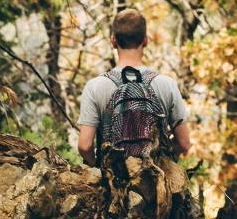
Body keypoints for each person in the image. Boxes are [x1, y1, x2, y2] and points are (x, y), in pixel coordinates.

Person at [78, 9, 191, 166]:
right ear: (145, 41)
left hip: (114, 184)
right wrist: (159, 153)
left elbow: (84, 146)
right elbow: (184, 144)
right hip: (155, 183)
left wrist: (96, 163)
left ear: (113, 41)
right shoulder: (167, 85)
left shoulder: (94, 87)